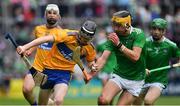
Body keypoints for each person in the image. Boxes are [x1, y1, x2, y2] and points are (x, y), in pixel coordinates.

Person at [16, 20, 97, 105]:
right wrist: (25, 47)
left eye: (85, 40)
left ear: (90, 39)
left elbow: (91, 62)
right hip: (47, 71)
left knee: (58, 100)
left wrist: (92, 68)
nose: (81, 41)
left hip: (64, 74)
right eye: (81, 37)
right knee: (43, 104)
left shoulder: (90, 48)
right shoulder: (66, 34)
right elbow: (44, 39)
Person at [93, 10, 146, 105]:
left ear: (127, 25)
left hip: (135, 80)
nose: (114, 28)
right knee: (102, 100)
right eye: (113, 24)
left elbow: (135, 57)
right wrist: (92, 71)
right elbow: (103, 58)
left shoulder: (139, 34)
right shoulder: (114, 37)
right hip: (119, 76)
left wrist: (119, 45)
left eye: (118, 25)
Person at [133, 18, 180, 105]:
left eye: (159, 29)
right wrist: (142, 68)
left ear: (164, 31)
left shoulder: (171, 45)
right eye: (154, 28)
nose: (156, 31)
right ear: (151, 29)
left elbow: (178, 56)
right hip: (141, 79)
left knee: (148, 101)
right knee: (135, 104)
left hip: (159, 80)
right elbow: (136, 58)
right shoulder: (144, 43)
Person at [22, 4, 62, 105]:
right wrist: (30, 50)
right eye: (49, 13)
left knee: (50, 102)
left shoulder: (62, 33)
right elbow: (38, 42)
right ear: (45, 15)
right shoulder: (38, 29)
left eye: (54, 13)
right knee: (26, 90)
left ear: (59, 16)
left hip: (53, 70)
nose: (52, 15)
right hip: (37, 67)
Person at [95, 29, 116, 104]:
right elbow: (96, 54)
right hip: (104, 69)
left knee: (110, 90)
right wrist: (98, 60)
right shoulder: (101, 44)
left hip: (113, 69)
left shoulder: (116, 43)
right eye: (108, 33)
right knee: (104, 90)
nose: (109, 35)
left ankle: (111, 104)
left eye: (111, 33)